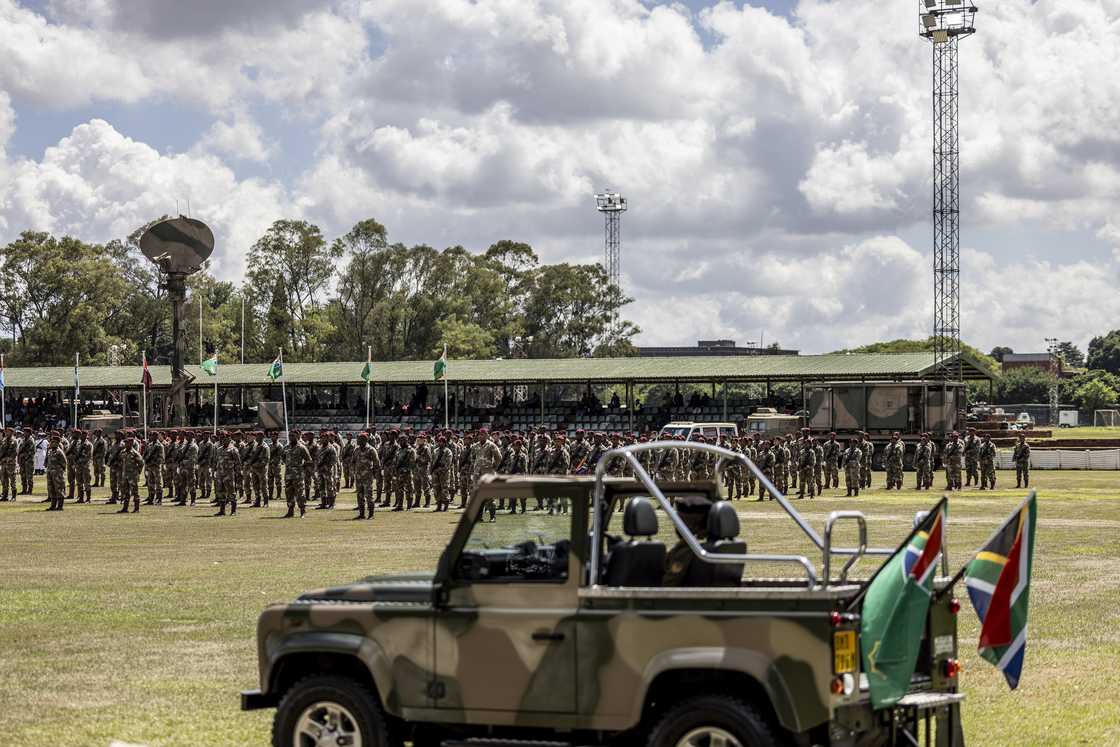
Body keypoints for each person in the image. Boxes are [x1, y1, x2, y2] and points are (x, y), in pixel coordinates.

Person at [663, 495, 712, 586]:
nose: (675, 525)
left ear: (692, 524)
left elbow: (668, 584)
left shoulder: (687, 551)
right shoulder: (714, 548)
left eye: (679, 521)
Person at [283, 430, 312, 518]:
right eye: (290, 436)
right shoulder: (286, 447)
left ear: (297, 437)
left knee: (300, 493)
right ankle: (290, 511)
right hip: (288, 474)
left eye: (293, 436)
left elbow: (309, 460)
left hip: (298, 475)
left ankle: (302, 511)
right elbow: (283, 457)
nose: (291, 437)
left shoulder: (301, 447)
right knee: (289, 493)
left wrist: (302, 468)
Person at [352, 432, 379, 520]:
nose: (358, 441)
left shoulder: (371, 449)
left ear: (365, 440)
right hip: (358, 476)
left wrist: (375, 475)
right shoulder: (356, 450)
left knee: (369, 495)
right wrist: (353, 471)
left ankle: (371, 514)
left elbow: (376, 463)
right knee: (359, 495)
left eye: (360, 439)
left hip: (368, 477)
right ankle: (361, 514)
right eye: (358, 439)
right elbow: (353, 461)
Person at [213, 432, 241, 516]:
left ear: (229, 439)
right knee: (221, 492)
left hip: (229, 474)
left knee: (231, 492)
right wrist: (214, 471)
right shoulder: (219, 449)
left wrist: (238, 474)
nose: (223, 439)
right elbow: (216, 461)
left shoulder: (233, 449)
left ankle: (233, 511)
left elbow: (238, 463)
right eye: (222, 438)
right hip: (220, 474)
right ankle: (222, 510)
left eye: (225, 438)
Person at [118, 434, 144, 514]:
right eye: (125, 443)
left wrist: (138, 472)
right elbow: (121, 461)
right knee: (125, 492)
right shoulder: (123, 452)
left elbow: (141, 463)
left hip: (133, 475)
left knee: (135, 492)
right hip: (125, 475)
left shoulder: (135, 453)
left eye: (128, 443)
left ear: (131, 443)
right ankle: (125, 508)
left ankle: (136, 508)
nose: (126, 444)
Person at [45, 432, 67, 511]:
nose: (51, 443)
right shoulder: (50, 451)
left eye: (53, 442)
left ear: (57, 443)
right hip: (50, 472)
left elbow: (64, 463)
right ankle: (53, 505)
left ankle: (60, 506)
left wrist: (59, 472)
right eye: (51, 442)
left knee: (59, 489)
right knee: (52, 489)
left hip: (57, 473)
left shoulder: (59, 452)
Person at [143, 430, 165, 504]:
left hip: (156, 467)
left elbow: (161, 457)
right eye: (152, 435)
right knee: (150, 483)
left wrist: (154, 462)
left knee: (158, 483)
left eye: (155, 435)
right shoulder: (149, 445)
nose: (153, 437)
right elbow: (145, 455)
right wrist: (146, 461)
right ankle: (151, 498)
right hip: (150, 467)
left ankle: (159, 499)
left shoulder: (160, 446)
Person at [18, 427, 36, 494]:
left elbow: (32, 451)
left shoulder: (31, 440)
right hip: (23, 461)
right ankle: (24, 490)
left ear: (28, 433)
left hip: (29, 461)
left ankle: (30, 490)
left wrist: (24, 455)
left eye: (25, 432)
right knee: (23, 476)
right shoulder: (24, 440)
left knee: (29, 476)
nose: (24, 433)